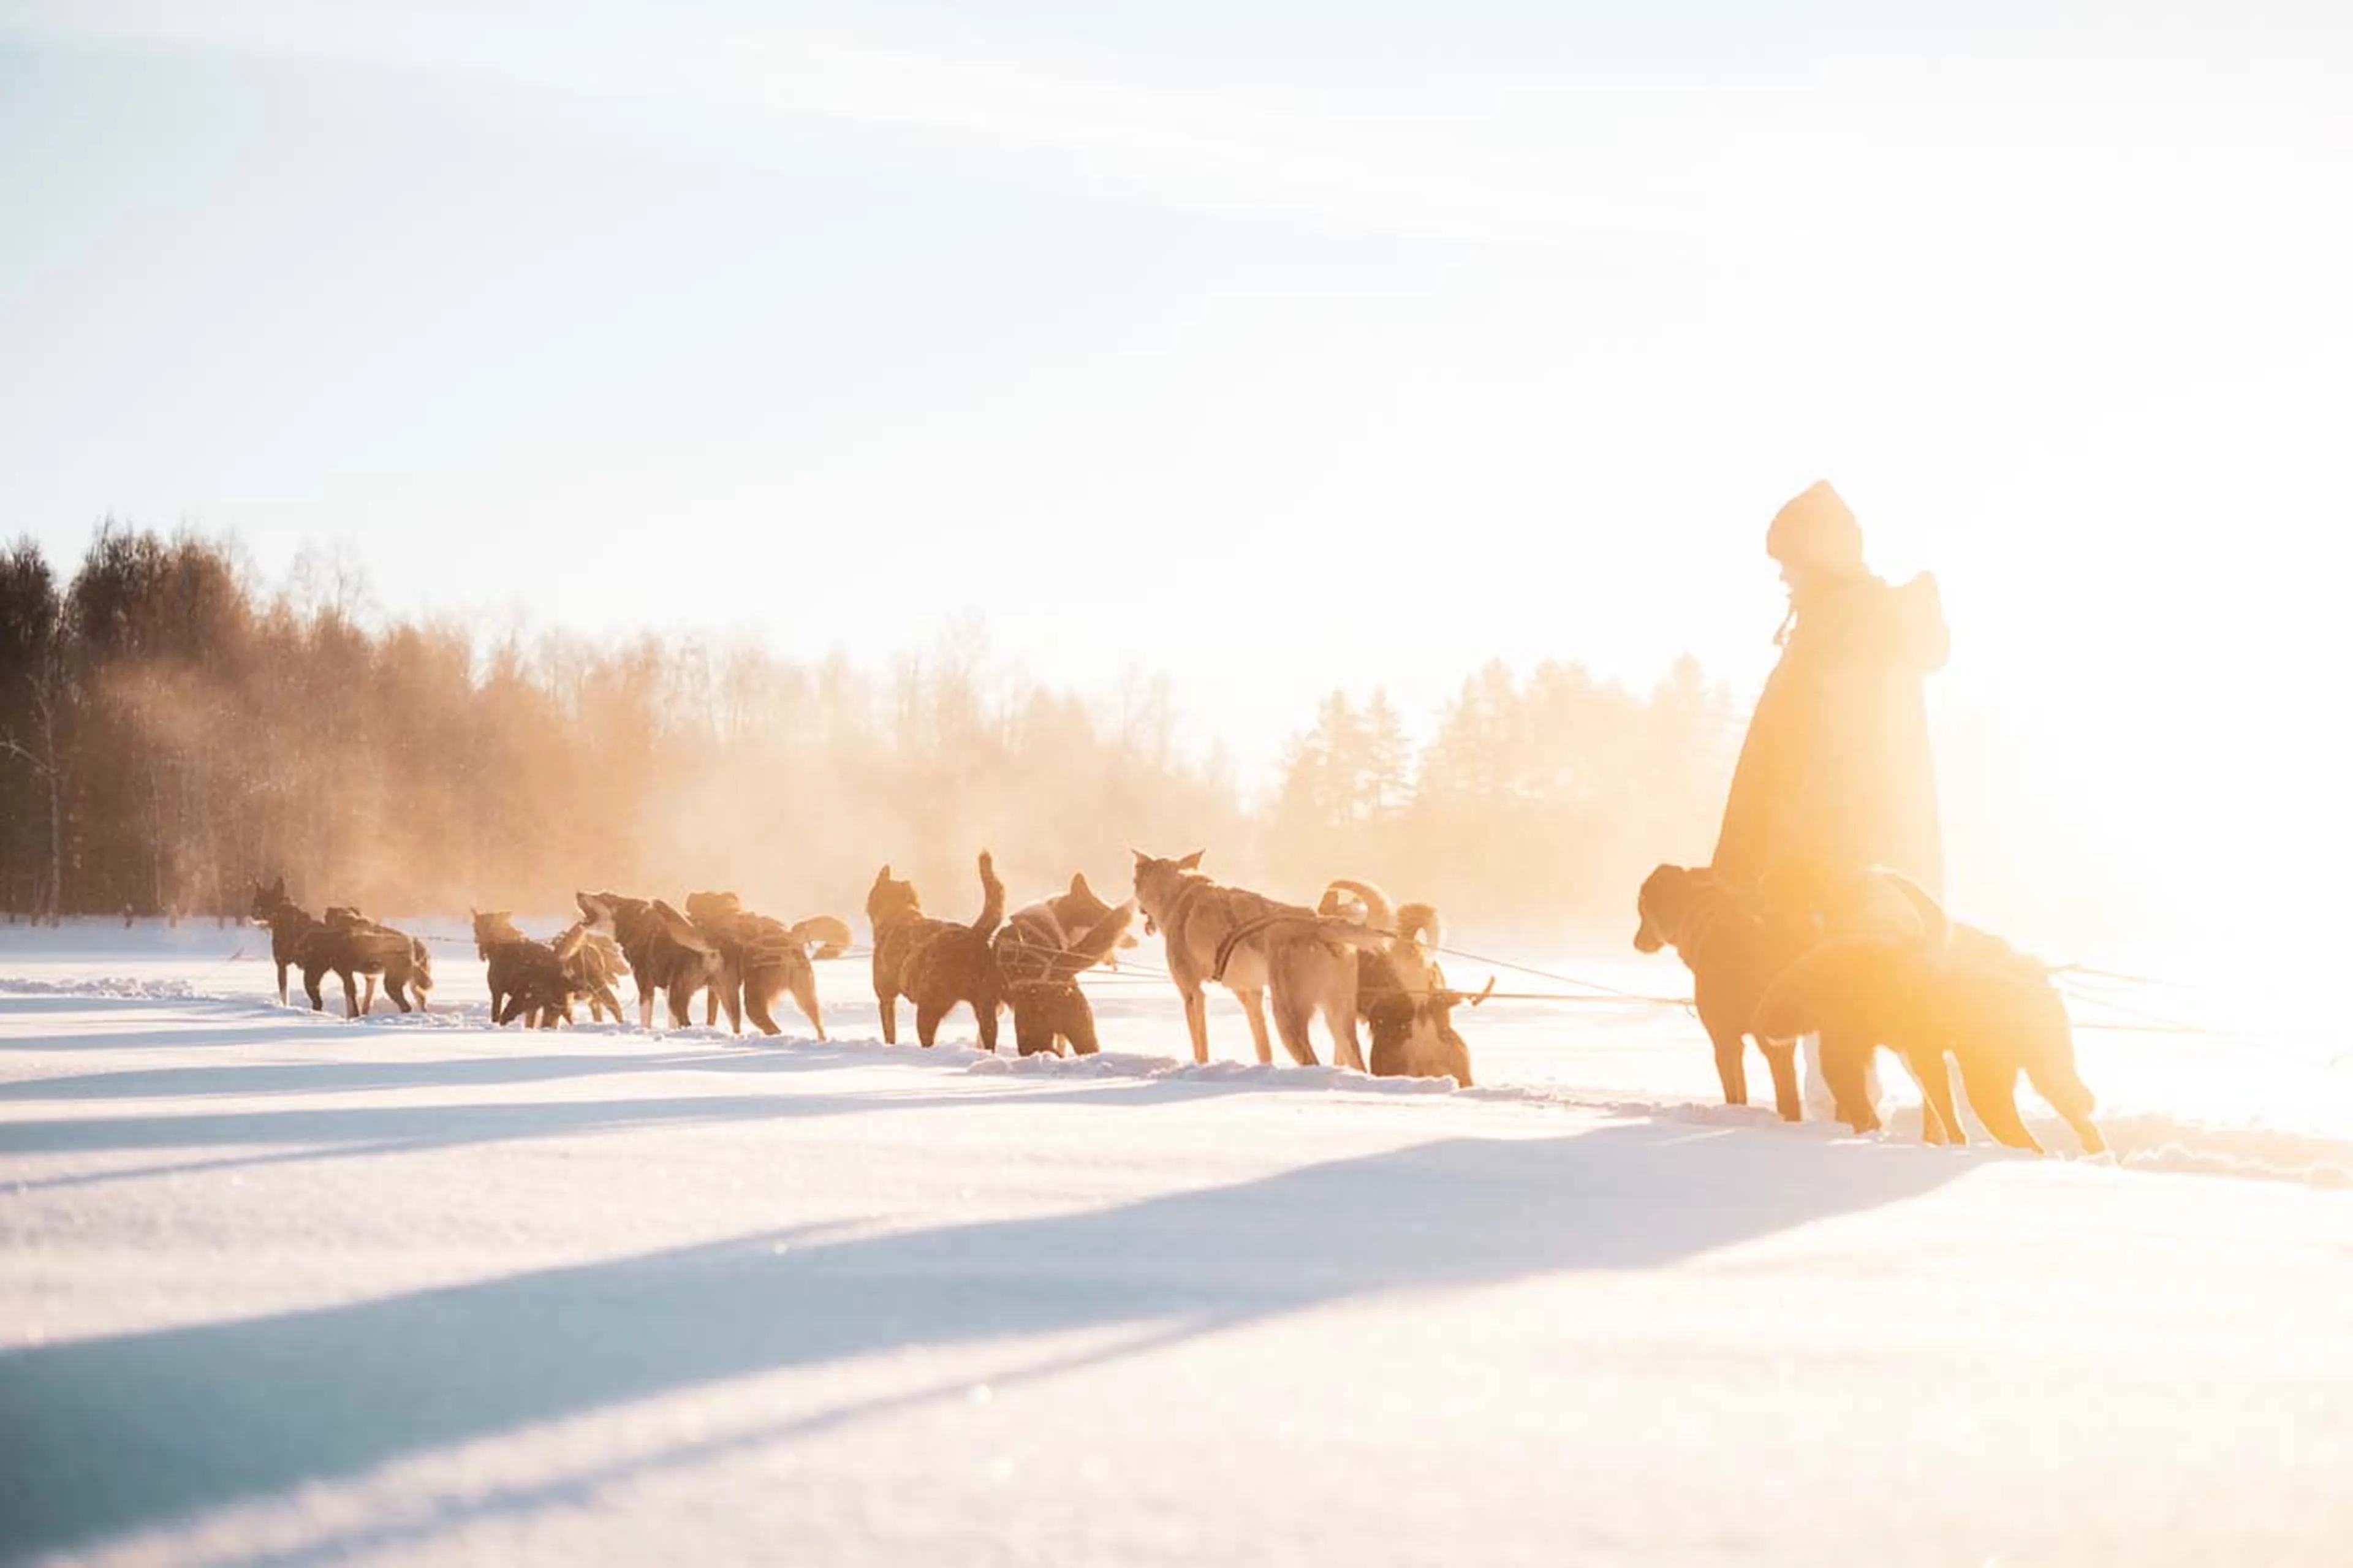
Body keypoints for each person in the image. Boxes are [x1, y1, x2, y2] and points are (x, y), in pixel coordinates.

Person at [1713, 479, 1949, 1116]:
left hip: (1838, 856)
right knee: (1880, 984)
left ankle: (1844, 1131)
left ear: (1816, 557)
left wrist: (1797, 854)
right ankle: (1908, 1119)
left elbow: (1832, 756)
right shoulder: (1839, 624)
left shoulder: (1847, 628)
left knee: (1839, 984)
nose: (1782, 577)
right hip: (1852, 852)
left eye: (1788, 560)